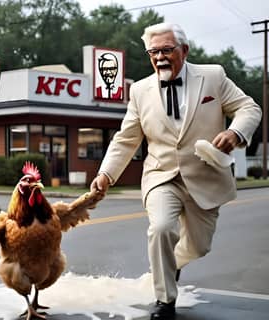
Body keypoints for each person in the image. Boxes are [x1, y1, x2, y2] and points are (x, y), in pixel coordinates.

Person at [90, 22, 261, 320]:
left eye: (167, 50)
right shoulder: (140, 91)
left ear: (184, 50)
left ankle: (174, 262)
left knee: (199, 246)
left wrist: (235, 133)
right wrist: (106, 174)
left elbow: (250, 109)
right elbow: (127, 139)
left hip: (205, 176)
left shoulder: (213, 76)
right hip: (161, 176)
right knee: (160, 228)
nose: (160, 58)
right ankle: (165, 301)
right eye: (153, 52)